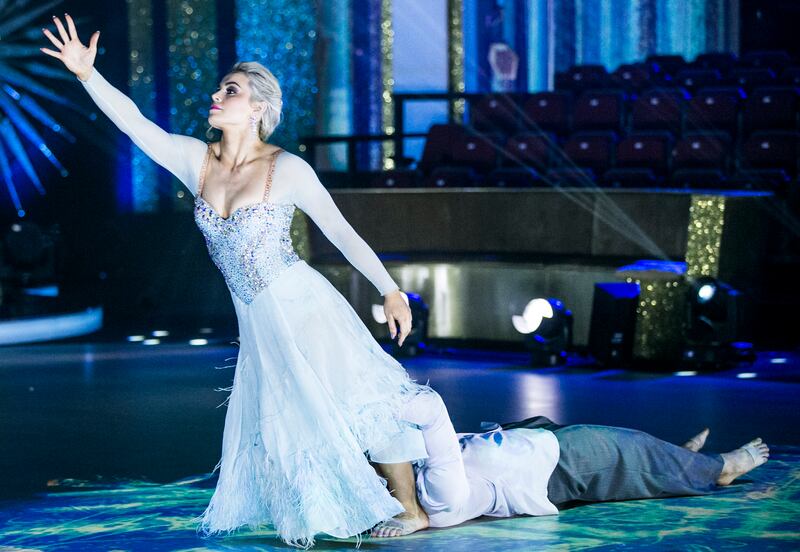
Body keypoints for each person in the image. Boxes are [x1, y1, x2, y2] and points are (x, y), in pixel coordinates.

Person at [41, 14, 432, 548]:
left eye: (232, 89)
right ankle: (331, 506)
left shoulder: (286, 167)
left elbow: (340, 231)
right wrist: (89, 75)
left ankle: (412, 510)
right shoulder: (194, 161)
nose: (216, 94)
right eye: (221, 87)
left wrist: (390, 289)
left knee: (357, 398)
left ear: (259, 110)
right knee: (290, 417)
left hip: (302, 304)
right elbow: (135, 124)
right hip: (256, 320)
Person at [371, 390, 770, 536]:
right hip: (557, 465)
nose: (392, 464)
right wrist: (372, 394)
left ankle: (679, 461)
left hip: (538, 445)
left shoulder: (426, 479)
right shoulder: (441, 498)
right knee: (629, 450)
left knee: (635, 448)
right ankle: (719, 469)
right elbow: (431, 408)